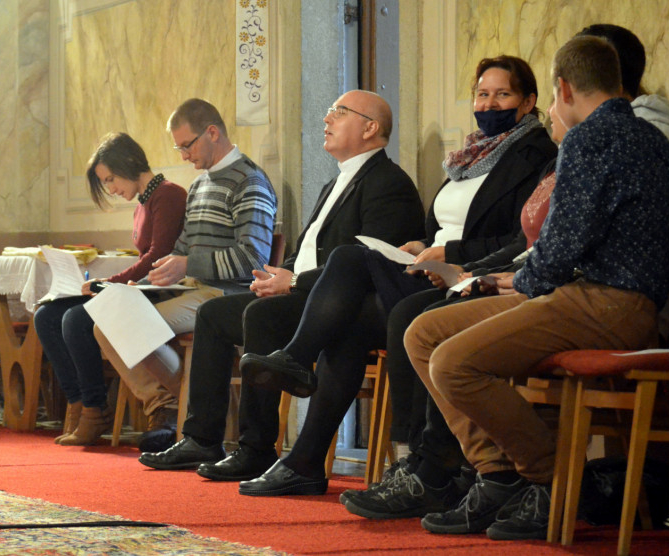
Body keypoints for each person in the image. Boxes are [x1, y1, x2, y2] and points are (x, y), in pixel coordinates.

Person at [346, 22, 669, 522]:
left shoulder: (590, 139)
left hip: (604, 302)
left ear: (562, 89)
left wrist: (517, 281)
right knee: (424, 333)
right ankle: (497, 475)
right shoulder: (651, 139)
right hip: (594, 297)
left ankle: (556, 480)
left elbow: (562, 248)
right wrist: (512, 280)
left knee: (451, 362)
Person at [236, 57, 556, 497]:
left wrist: (453, 255)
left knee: (353, 267)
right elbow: (440, 226)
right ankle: (304, 458)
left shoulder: (534, 156)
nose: (488, 104)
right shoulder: (471, 157)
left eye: (502, 95)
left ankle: (408, 456)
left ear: (529, 101)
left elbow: (518, 238)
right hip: (431, 266)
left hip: (469, 273)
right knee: (345, 311)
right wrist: (420, 245)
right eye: (482, 94)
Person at [137, 90, 426, 477]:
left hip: (341, 304)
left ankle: (255, 448)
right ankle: (201, 437)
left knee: (262, 315)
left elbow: (372, 264)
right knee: (212, 314)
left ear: (370, 128)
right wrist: (277, 275)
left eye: (339, 112)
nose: (326, 119)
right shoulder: (335, 183)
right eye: (329, 111)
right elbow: (309, 248)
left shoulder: (389, 183)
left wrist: (295, 282)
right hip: (304, 291)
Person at [94, 98, 277, 451]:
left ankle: (197, 408)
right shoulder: (199, 185)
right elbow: (180, 248)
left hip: (226, 295)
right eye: (178, 148)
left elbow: (252, 259)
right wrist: (142, 284)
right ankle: (183, 403)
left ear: (213, 133)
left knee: (129, 325)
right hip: (193, 290)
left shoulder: (249, 181)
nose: (183, 156)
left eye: (187, 145)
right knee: (107, 320)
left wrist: (188, 264)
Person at [34, 132, 187, 446]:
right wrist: (107, 285)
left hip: (161, 291)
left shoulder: (168, 194)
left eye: (110, 179)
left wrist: (109, 284)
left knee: (76, 319)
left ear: (129, 163)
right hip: (139, 289)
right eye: (106, 183)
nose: (111, 189)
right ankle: (78, 402)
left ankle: (95, 410)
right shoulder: (142, 204)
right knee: (46, 316)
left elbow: (158, 256)